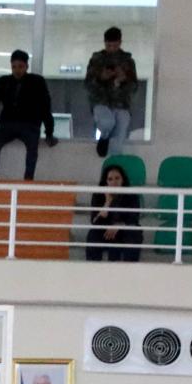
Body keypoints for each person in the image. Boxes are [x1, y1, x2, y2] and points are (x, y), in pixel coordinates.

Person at [0, 50, 55, 181]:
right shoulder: (3, 82)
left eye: (21, 66)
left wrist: (49, 133)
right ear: (11, 66)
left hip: (30, 125)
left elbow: (45, 107)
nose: (17, 70)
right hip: (8, 124)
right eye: (14, 67)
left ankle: (28, 183)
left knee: (32, 150)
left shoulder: (37, 81)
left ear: (27, 66)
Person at [84, 28, 138, 158]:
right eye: (109, 45)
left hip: (121, 104)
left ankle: (113, 169)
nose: (112, 49)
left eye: (115, 45)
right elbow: (87, 84)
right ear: (104, 43)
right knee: (107, 123)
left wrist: (123, 80)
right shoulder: (97, 60)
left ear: (120, 43)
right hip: (101, 101)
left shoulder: (128, 61)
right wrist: (101, 78)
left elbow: (134, 87)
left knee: (118, 143)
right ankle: (104, 136)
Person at [84, 163, 142, 262]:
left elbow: (134, 218)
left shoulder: (132, 195)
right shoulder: (98, 195)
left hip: (125, 230)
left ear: (122, 180)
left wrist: (119, 225)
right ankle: (92, 269)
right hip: (106, 230)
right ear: (105, 182)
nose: (114, 182)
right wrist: (107, 202)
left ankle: (130, 270)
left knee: (134, 234)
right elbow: (95, 222)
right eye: (110, 179)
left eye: (117, 178)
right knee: (93, 234)